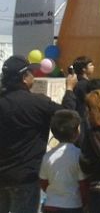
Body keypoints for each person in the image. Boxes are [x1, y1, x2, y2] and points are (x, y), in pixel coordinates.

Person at [0, 55, 77, 213]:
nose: (33, 76)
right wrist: (69, 89)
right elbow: (68, 117)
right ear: (24, 77)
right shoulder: (38, 103)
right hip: (26, 178)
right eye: (30, 73)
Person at [39, 110, 88, 213]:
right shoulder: (78, 155)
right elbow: (83, 183)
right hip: (73, 205)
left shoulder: (47, 156)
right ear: (76, 133)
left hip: (51, 204)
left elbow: (43, 182)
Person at [71, 56, 95, 120]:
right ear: (84, 69)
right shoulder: (84, 84)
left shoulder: (76, 82)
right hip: (83, 117)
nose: (93, 67)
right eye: (91, 65)